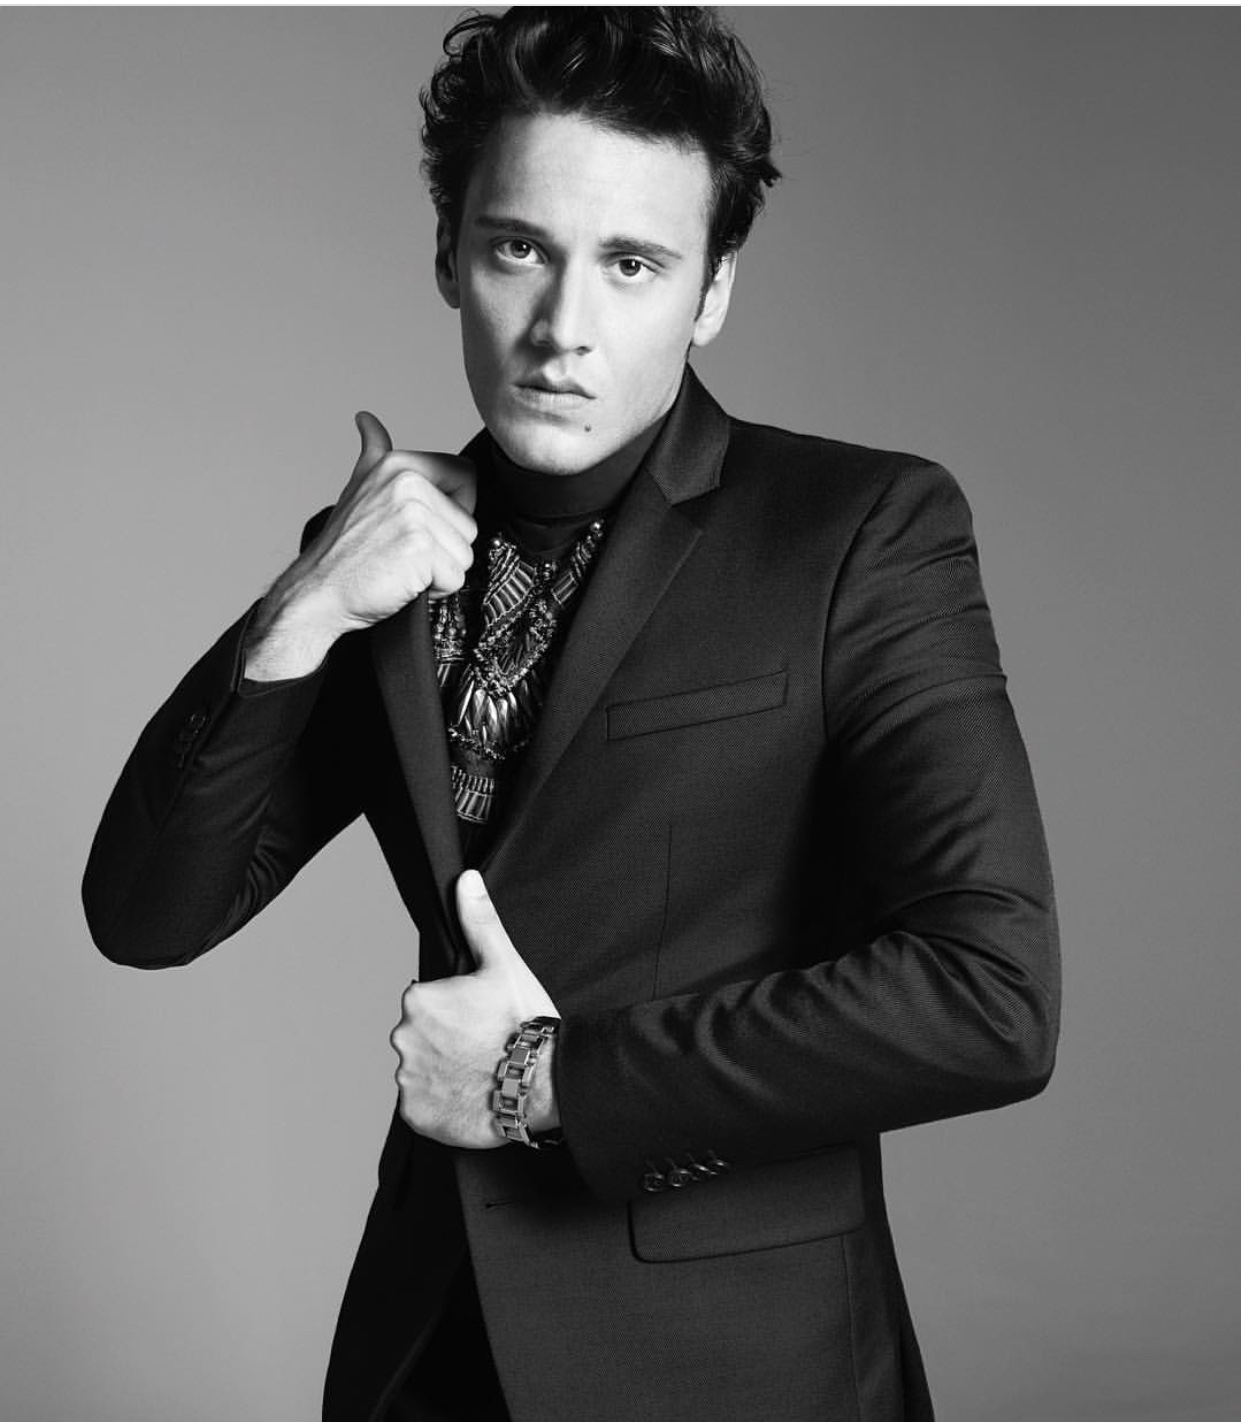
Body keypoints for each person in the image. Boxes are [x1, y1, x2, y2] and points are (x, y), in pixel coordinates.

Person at [83, 8, 1060, 1420]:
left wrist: (548, 1079)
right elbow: (145, 912)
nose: (563, 330)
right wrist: (304, 605)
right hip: (424, 1350)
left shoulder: (857, 532)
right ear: (448, 254)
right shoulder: (379, 560)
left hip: (732, 1363)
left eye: (632, 264)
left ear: (711, 292)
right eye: (519, 250)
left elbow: (990, 997)